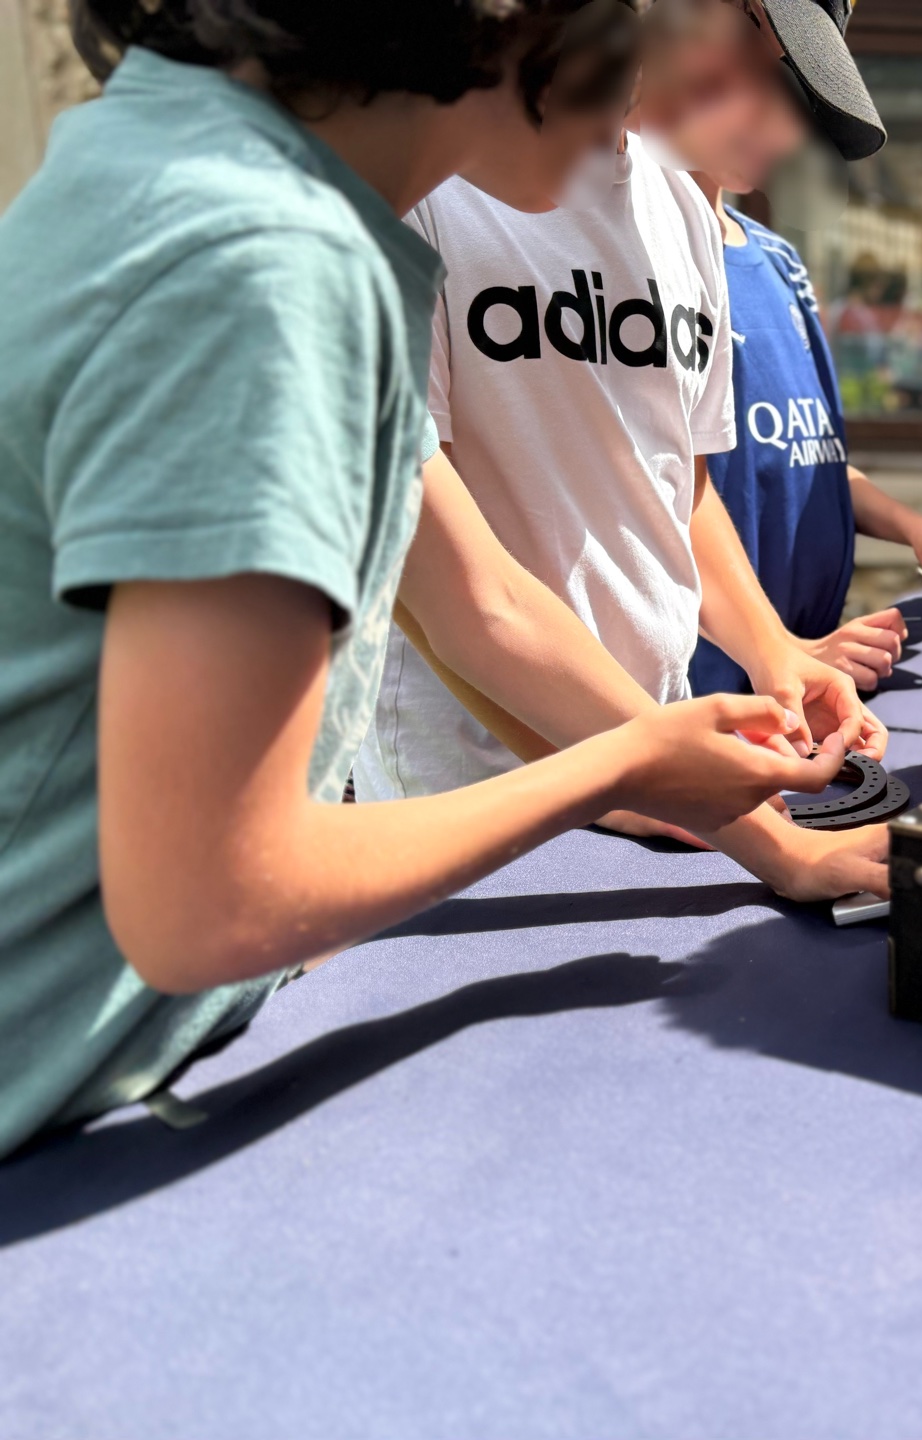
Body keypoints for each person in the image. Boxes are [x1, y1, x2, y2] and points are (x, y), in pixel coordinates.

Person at [0, 0, 856, 1162]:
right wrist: (621, 767)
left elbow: (479, 599)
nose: (656, 80)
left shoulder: (240, 181)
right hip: (60, 1106)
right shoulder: (267, 256)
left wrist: (767, 839)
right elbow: (215, 900)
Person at [352, 0, 891, 898]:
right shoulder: (423, 193)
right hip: (475, 787)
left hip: (655, 753)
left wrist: (772, 648)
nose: (768, 115)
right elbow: (469, 602)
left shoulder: (683, 205)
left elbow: (680, 483)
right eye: (757, 58)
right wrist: (770, 845)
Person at [677, 14, 922, 696]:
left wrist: (919, 530)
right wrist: (782, 651)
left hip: (808, 674)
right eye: (779, 89)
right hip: (715, 685)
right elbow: (662, 491)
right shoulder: (644, 271)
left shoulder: (780, 263)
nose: (790, 133)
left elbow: (810, 459)